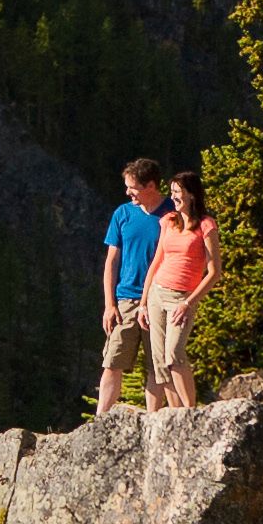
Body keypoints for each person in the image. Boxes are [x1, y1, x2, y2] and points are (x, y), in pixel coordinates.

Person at [145, 167, 221, 408]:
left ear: (191, 195)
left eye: (178, 192)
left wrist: (189, 302)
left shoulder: (206, 225)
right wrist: (144, 301)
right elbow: (157, 261)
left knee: (174, 355)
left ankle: (190, 410)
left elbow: (214, 272)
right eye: (172, 192)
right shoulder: (168, 221)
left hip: (182, 297)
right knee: (159, 361)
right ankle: (176, 415)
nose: (173, 197)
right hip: (158, 292)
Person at [96, 158, 166, 412]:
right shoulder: (122, 214)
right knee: (112, 361)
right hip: (126, 300)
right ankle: (101, 421)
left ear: (151, 186)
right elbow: (111, 261)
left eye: (133, 187)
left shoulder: (171, 214)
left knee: (156, 366)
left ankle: (152, 421)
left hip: (160, 299)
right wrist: (109, 304)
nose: (128, 193)